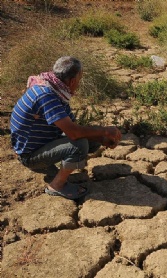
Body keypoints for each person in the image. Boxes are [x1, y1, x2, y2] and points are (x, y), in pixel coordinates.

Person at [10, 56, 121, 200]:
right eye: (79, 80)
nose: (79, 84)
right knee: (79, 145)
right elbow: (74, 134)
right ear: (73, 81)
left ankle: (55, 170)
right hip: (30, 156)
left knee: (90, 141)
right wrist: (105, 130)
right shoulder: (47, 96)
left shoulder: (54, 89)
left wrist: (102, 138)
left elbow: (74, 128)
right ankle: (57, 185)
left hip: (41, 145)